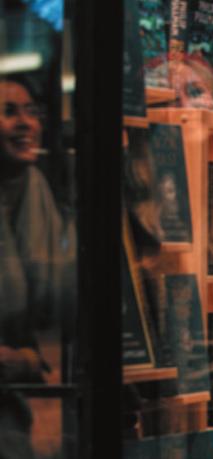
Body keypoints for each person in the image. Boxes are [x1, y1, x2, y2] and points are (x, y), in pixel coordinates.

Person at [0, 76, 73, 459]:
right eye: (9, 112)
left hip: (31, 409)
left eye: (31, 111)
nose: (25, 123)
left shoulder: (41, 194)